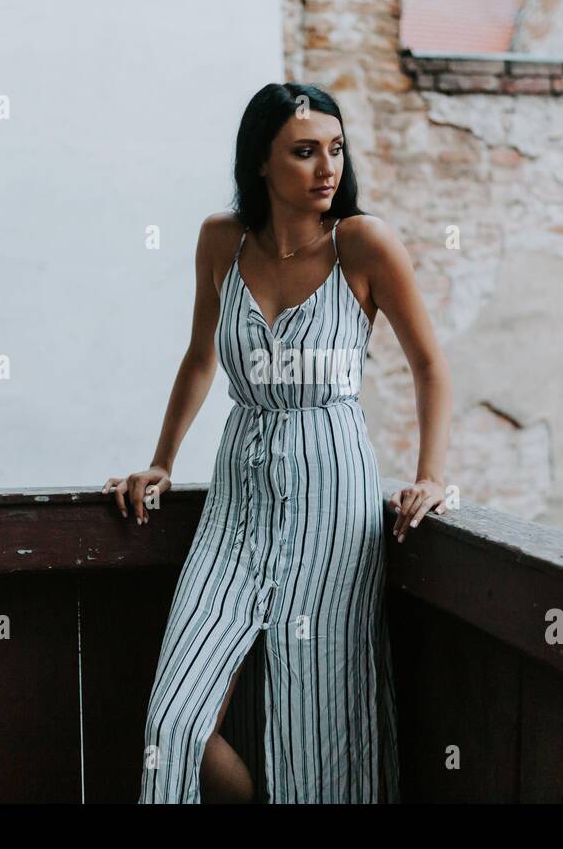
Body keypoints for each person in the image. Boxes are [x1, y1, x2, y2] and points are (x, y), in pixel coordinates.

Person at [108, 82, 452, 803]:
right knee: (175, 725)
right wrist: (162, 461)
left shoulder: (363, 243)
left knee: (319, 722)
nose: (326, 167)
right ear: (261, 163)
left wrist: (430, 475)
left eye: (335, 149)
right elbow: (202, 356)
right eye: (303, 152)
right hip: (237, 496)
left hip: (335, 495)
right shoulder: (220, 241)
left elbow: (429, 365)